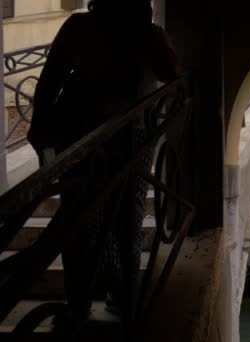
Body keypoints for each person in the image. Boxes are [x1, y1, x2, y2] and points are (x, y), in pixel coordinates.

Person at [27, 0, 177, 330]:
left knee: (80, 219)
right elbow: (173, 76)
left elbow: (49, 82)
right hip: (126, 137)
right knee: (125, 218)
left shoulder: (79, 28)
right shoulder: (148, 34)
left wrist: (43, 138)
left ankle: (81, 301)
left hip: (79, 134)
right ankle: (123, 296)